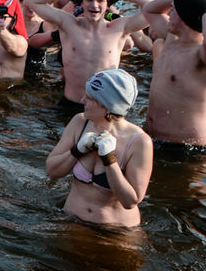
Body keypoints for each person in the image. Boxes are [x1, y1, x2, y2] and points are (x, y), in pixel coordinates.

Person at [45, 69, 152, 227]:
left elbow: (130, 201)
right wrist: (77, 151)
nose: (82, 100)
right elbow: (52, 171)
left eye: (89, 98)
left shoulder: (139, 142)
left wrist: (110, 160)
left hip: (116, 232)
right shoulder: (79, 123)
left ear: (107, 106)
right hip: (71, 220)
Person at [23, 0, 150, 107]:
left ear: (107, 5)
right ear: (81, 3)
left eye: (100, 0)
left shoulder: (119, 28)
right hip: (70, 104)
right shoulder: (68, 24)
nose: (94, 5)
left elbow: (155, 9)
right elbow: (31, 0)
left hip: (103, 107)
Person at [140, 0, 206, 149]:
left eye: (173, 10)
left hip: (187, 147)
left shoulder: (204, 55)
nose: (168, 13)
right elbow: (149, 9)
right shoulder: (171, 41)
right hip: (152, 138)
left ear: (184, 17)